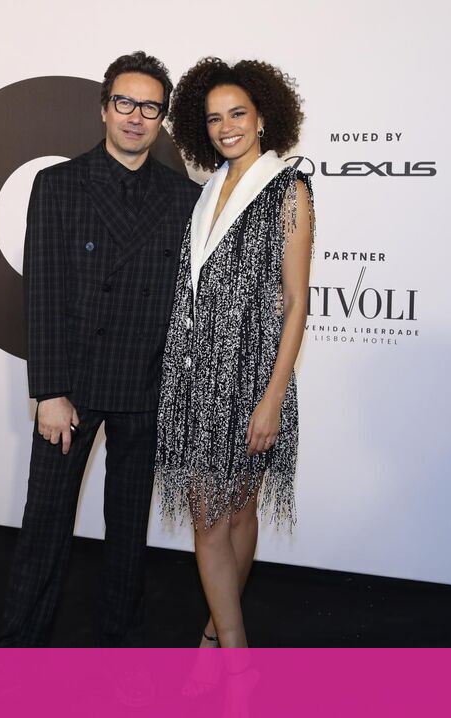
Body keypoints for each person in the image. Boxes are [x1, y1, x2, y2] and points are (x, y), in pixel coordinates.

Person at [0, 51, 202, 647]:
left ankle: (120, 648)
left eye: (150, 107)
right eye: (125, 102)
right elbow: (43, 291)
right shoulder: (57, 184)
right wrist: (49, 391)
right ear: (104, 109)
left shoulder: (184, 197)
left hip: (146, 385)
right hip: (73, 387)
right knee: (45, 524)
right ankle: (19, 650)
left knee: (129, 531)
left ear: (162, 119)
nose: (136, 117)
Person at [155, 57, 312, 649]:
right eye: (214, 118)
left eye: (238, 114)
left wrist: (272, 398)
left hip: (251, 380)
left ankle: (226, 647)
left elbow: (296, 302)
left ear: (263, 117)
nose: (226, 127)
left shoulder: (288, 188)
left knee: (235, 514)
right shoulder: (206, 193)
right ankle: (224, 641)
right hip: (195, 381)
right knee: (216, 516)